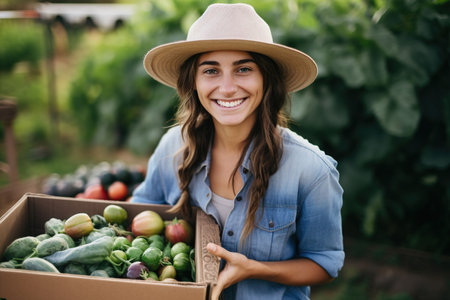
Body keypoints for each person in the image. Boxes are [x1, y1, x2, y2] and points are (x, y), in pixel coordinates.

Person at [131, 3, 344, 299]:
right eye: (211, 70)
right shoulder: (173, 147)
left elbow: (324, 263)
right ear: (193, 82)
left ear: (266, 79)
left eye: (243, 69)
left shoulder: (310, 169)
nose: (228, 87)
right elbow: (141, 216)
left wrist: (255, 269)